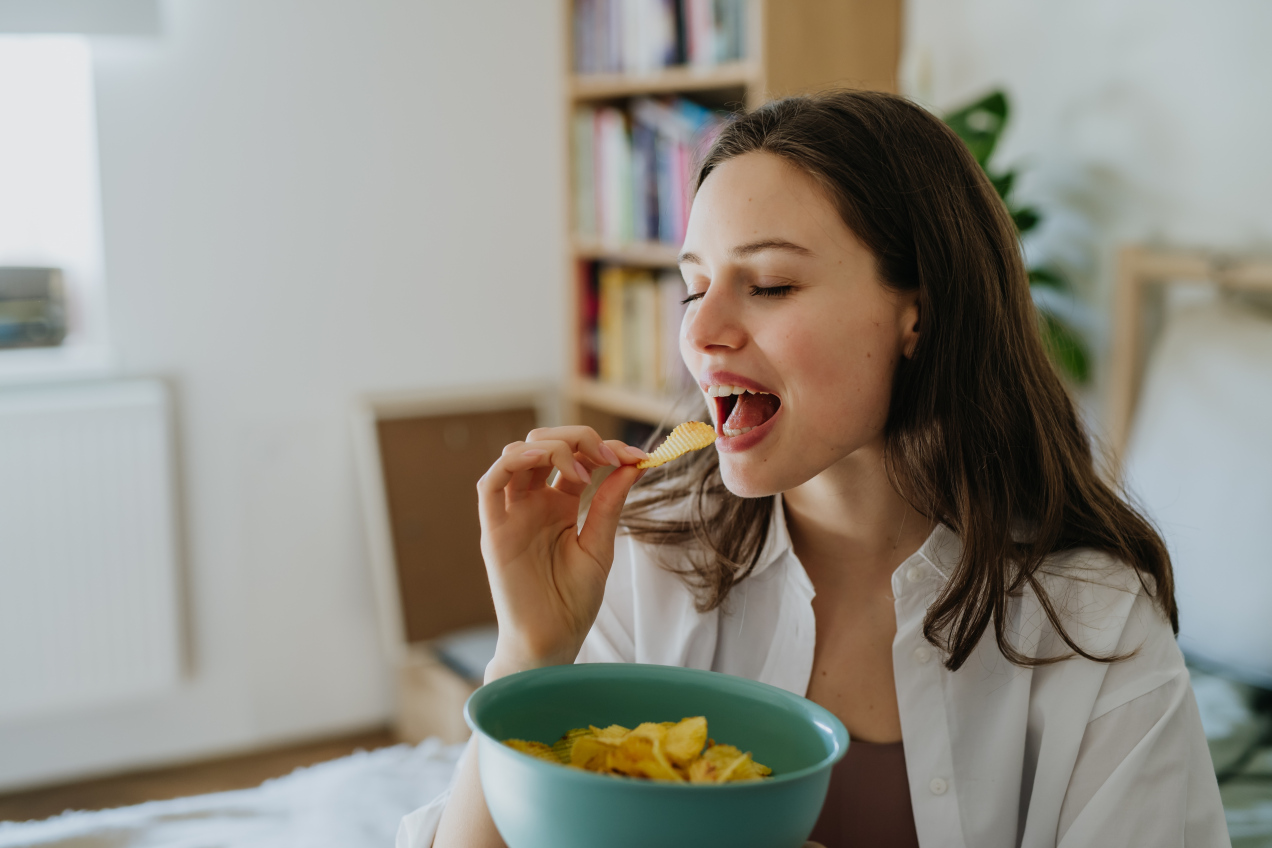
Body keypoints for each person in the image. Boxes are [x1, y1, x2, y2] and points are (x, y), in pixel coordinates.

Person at [400, 90, 1229, 848]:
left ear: (919, 311)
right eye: (694, 288)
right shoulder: (648, 554)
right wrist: (530, 652)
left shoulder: (1094, 624)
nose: (702, 332)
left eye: (767, 284)